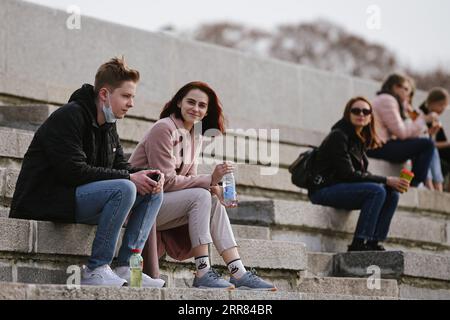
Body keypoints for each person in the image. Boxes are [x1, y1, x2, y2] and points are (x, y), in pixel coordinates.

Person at [10, 57, 164, 288]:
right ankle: (96, 269)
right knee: (124, 187)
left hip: (77, 200)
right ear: (104, 94)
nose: (131, 103)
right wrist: (129, 178)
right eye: (126, 96)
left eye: (133, 97)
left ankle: (127, 267)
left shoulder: (108, 125)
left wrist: (147, 175)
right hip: (46, 200)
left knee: (151, 191)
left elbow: (121, 167)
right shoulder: (69, 116)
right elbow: (74, 172)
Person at [129, 81, 276, 290]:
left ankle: (238, 272)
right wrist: (210, 179)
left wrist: (214, 187)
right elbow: (168, 181)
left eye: (201, 105)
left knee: (211, 198)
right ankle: (203, 272)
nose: (195, 109)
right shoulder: (163, 128)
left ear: (207, 111)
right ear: (179, 102)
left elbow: (190, 178)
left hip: (164, 205)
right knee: (201, 196)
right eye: (191, 102)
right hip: (141, 204)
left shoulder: (194, 135)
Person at [308, 97, 410, 252]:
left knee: (392, 193)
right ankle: (358, 243)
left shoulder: (358, 139)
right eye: (356, 111)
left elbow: (360, 174)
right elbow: (347, 174)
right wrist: (386, 179)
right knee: (377, 190)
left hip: (342, 188)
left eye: (366, 111)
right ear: (348, 114)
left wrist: (387, 183)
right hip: (323, 190)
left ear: (370, 117)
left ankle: (373, 242)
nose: (361, 114)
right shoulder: (338, 136)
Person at [366, 74, 438, 187]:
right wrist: (424, 119)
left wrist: (425, 127)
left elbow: (411, 129)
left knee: (423, 144)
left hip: (381, 145)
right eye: (404, 88)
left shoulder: (393, 101)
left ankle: (413, 182)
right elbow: (402, 133)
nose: (407, 93)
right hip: (376, 147)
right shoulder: (387, 100)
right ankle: (414, 184)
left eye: (408, 90)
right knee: (427, 145)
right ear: (394, 87)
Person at [418, 88, 450, 191]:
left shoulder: (434, 117)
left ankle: (438, 187)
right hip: (422, 149)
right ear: (433, 102)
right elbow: (425, 139)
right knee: (430, 147)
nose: (443, 109)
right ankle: (435, 186)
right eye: (441, 105)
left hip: (434, 152)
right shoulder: (422, 114)